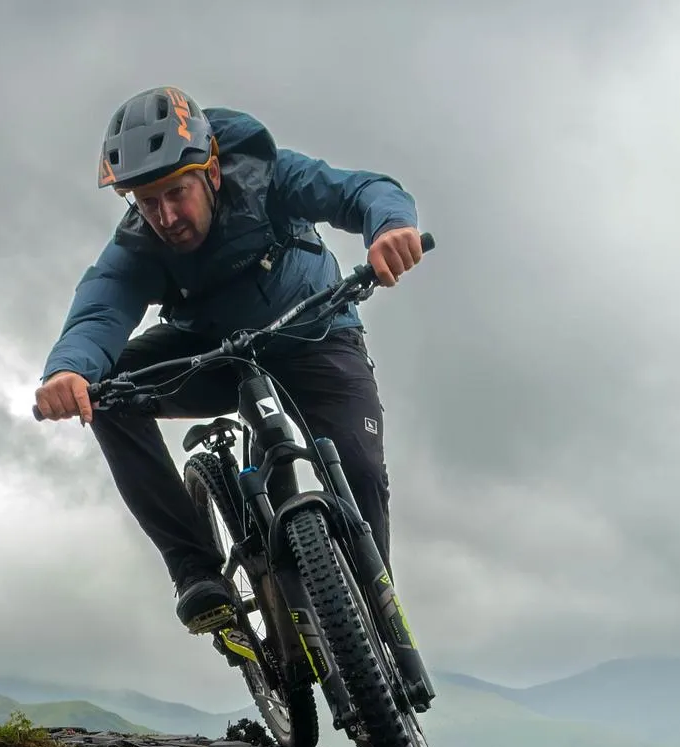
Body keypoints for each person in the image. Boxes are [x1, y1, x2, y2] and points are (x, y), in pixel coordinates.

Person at [33, 86, 425, 657]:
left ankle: (370, 622)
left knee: (361, 472)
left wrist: (389, 226)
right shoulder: (141, 244)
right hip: (219, 355)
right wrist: (68, 370)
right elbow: (102, 304)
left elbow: (359, 190)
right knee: (106, 395)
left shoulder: (268, 177)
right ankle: (196, 571)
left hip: (317, 337)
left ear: (211, 169)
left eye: (176, 193)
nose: (164, 216)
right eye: (145, 201)